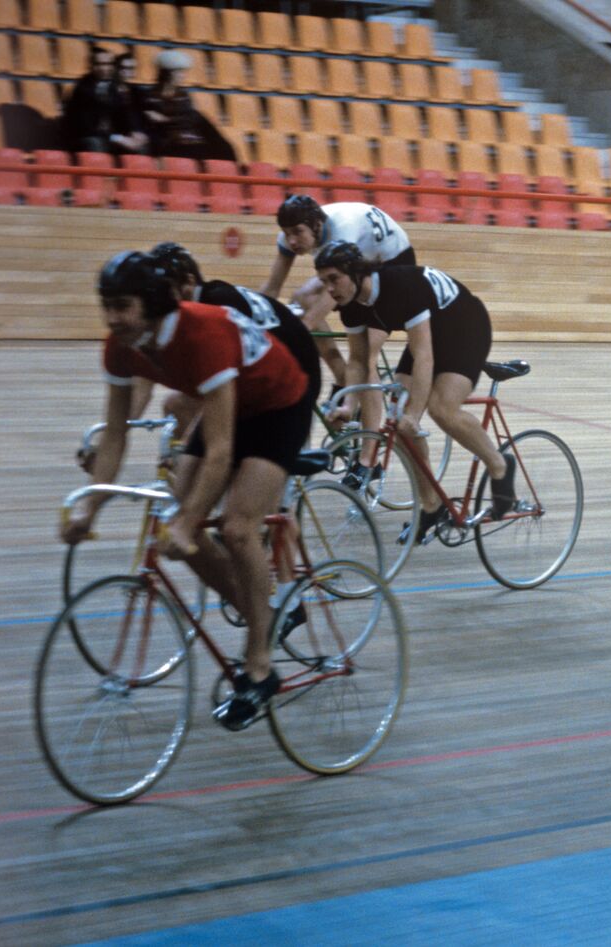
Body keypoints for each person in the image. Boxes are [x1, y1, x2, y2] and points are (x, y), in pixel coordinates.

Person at [63, 252, 315, 729]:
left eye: (123, 306)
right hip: (231, 404)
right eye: (107, 306)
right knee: (177, 528)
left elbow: (219, 452)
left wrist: (189, 518)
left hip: (280, 402)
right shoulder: (121, 346)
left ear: (151, 304)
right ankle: (258, 612)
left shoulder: (201, 333)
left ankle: (260, 667)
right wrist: (90, 505)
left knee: (237, 528)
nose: (113, 318)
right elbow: (115, 434)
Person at [314, 240, 515, 543]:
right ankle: (432, 506)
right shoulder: (351, 306)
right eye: (323, 282)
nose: (329, 289)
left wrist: (414, 415)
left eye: (334, 279)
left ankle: (499, 464)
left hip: (465, 326)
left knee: (441, 408)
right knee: (399, 424)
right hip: (430, 334)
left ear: (355, 272)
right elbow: (357, 361)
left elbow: (424, 357)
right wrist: (348, 404)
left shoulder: (399, 286)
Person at [147, 240, 322, 437]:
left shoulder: (215, 305)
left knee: (193, 415)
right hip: (283, 367)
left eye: (167, 291)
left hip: (295, 377)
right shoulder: (211, 297)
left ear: (189, 282)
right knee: (177, 406)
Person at [262, 195, 413, 391]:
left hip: (393, 263)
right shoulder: (291, 236)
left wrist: (302, 328)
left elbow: (333, 293)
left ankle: (358, 395)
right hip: (359, 266)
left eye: (298, 232)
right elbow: (272, 287)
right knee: (303, 298)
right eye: (286, 233)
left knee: (365, 355)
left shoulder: (342, 229)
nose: (291, 240)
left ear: (317, 225)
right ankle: (343, 379)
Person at [61, 44, 147, 154]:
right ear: (91, 66)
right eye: (100, 64)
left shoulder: (116, 86)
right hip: (86, 136)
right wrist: (118, 138)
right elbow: (87, 127)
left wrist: (135, 131)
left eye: (108, 64)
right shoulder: (82, 89)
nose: (105, 68)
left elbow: (126, 112)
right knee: (95, 143)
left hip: (110, 136)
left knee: (141, 146)